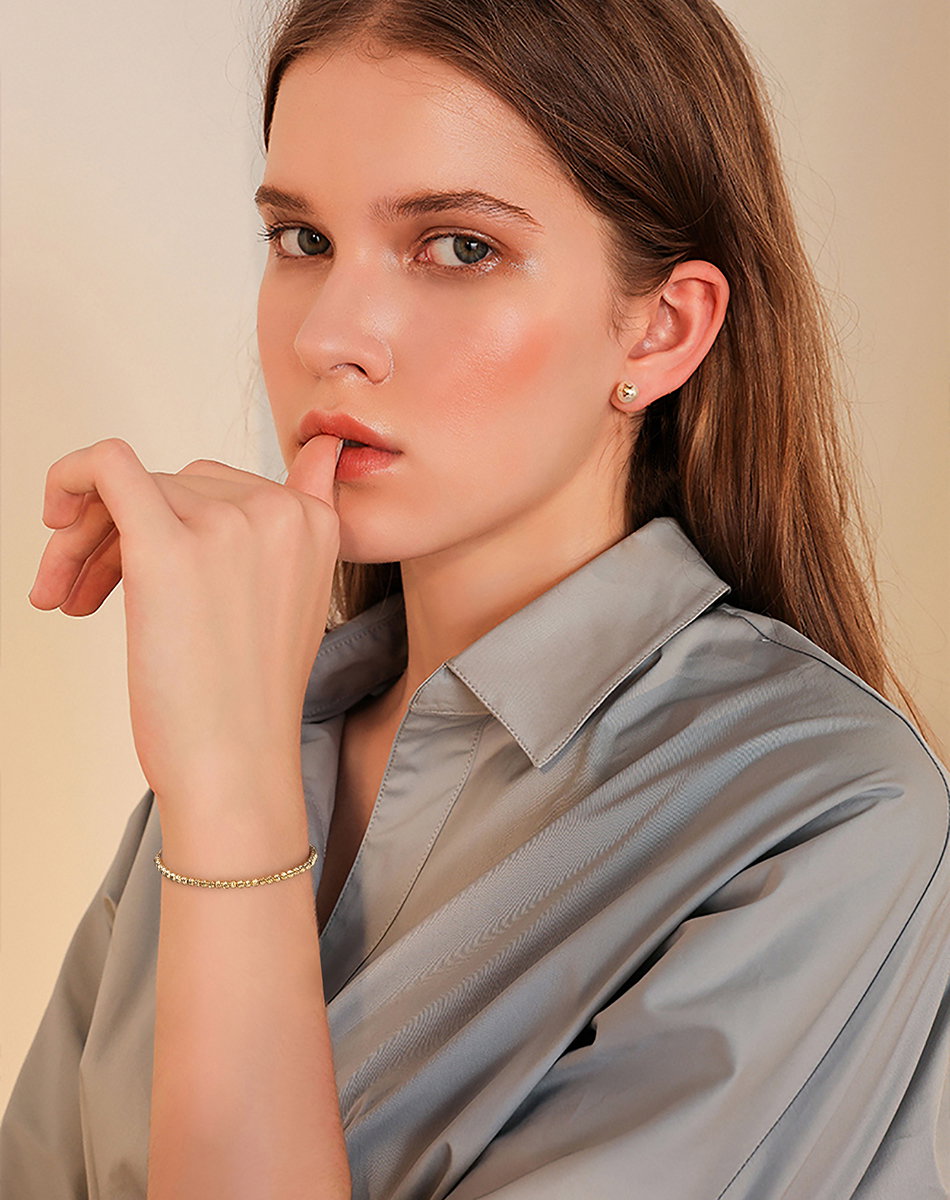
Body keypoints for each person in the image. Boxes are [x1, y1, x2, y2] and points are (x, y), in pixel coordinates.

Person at [1, 0, 948, 1196]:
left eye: (457, 247)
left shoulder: (823, 812)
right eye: (301, 239)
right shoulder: (254, 737)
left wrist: (233, 808)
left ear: (659, 331)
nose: (331, 336)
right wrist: (228, 773)